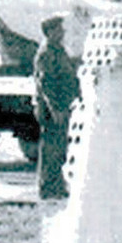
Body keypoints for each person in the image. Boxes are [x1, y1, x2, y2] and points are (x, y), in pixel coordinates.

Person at [34, 15, 79, 199]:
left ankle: (57, 186)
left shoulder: (58, 50)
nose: (63, 32)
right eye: (59, 29)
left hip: (62, 106)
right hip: (52, 109)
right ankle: (47, 187)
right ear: (50, 32)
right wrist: (55, 109)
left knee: (59, 148)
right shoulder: (46, 53)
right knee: (51, 149)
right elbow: (46, 84)